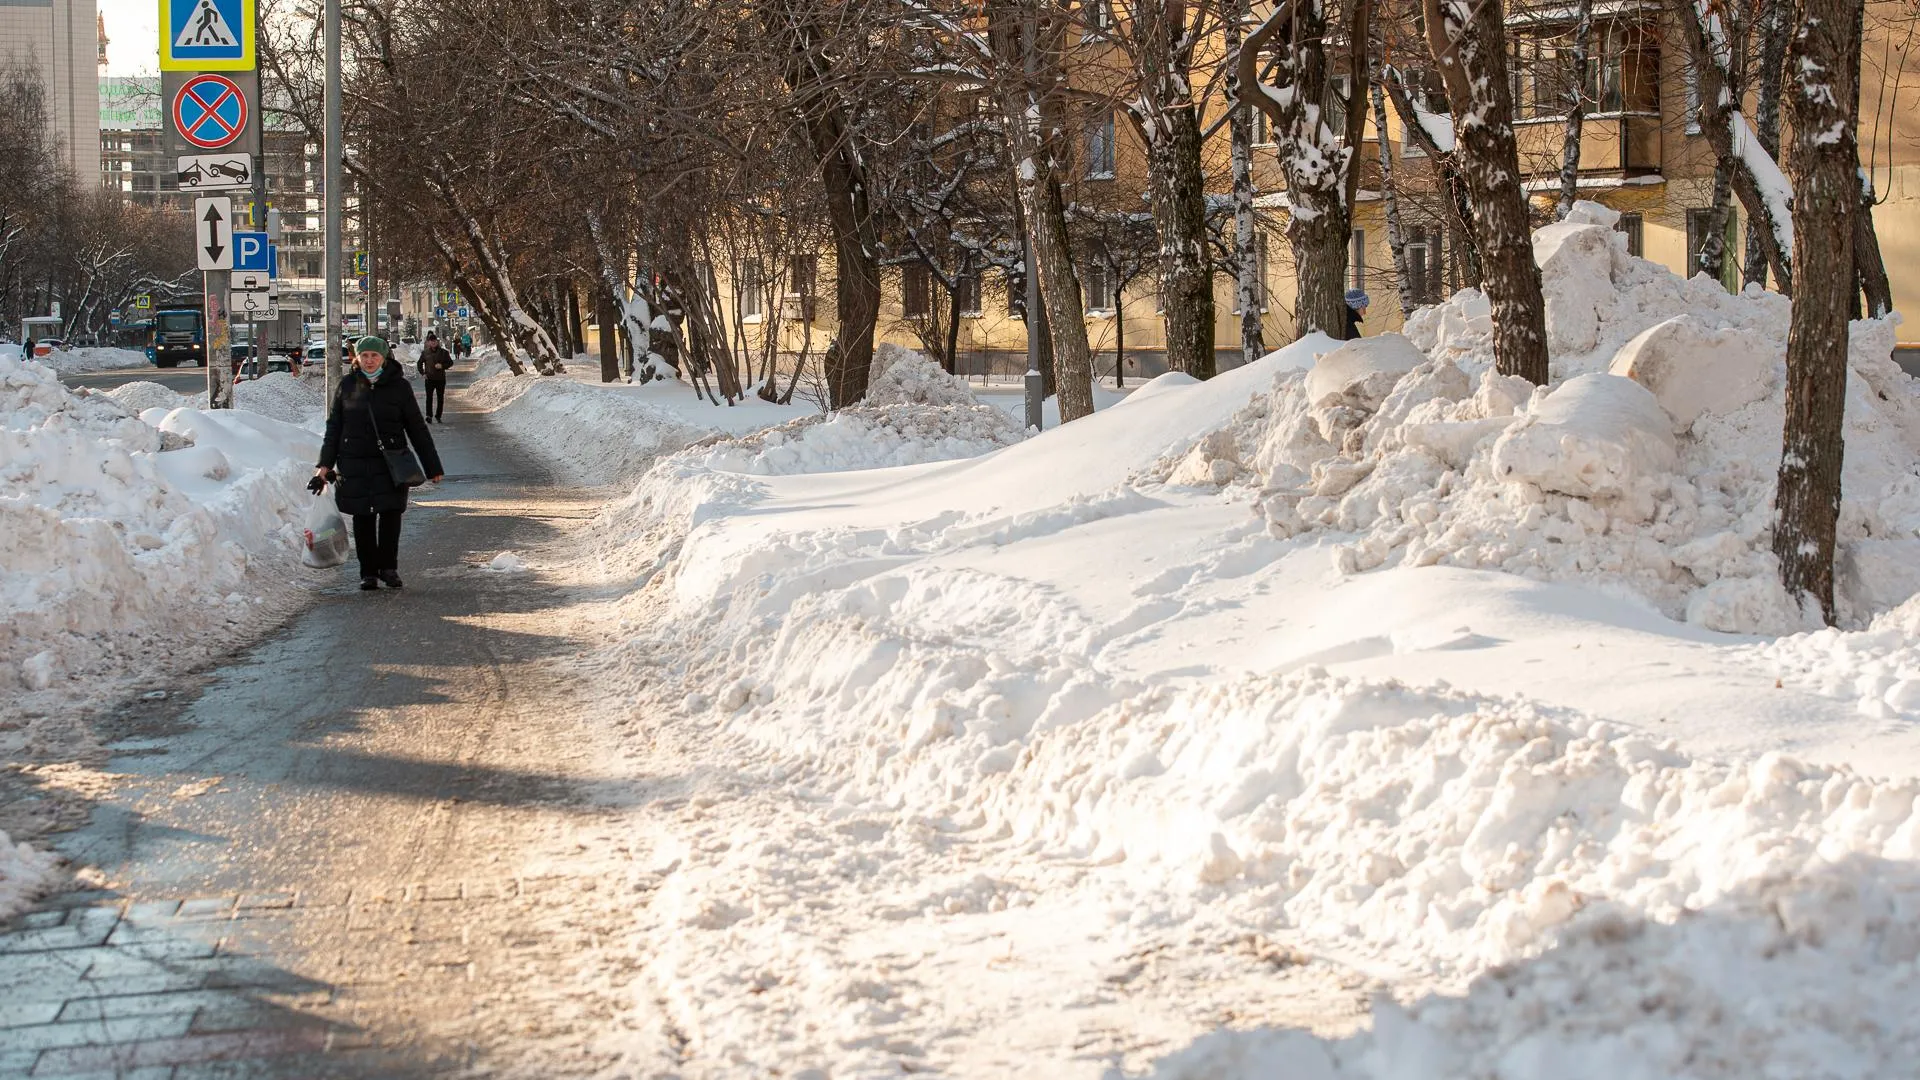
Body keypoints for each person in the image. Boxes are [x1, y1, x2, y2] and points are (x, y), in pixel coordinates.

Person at [312, 336, 444, 591]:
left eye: (374, 356)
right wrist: (324, 465)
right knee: (362, 518)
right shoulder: (347, 385)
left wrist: (433, 466)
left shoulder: (399, 387)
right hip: (354, 462)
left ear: (384, 358)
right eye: (365, 356)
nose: (369, 360)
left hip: (391, 462)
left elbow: (416, 428)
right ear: (356, 358)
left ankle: (389, 568)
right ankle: (368, 572)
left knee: (391, 515)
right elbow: (334, 428)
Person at [417, 331, 454, 422]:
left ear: (437, 342)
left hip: (440, 379)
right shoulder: (425, 353)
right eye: (431, 341)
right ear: (428, 342)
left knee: (440, 398)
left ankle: (438, 415)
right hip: (429, 378)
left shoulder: (443, 352)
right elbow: (419, 363)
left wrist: (442, 366)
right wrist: (423, 373)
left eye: (434, 341)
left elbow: (450, 362)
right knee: (429, 398)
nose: (433, 342)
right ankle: (429, 416)